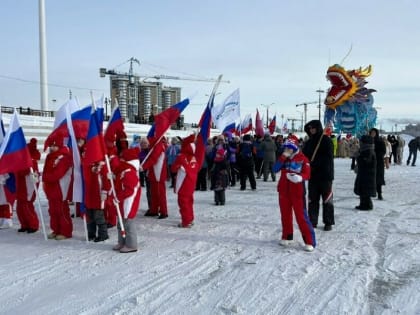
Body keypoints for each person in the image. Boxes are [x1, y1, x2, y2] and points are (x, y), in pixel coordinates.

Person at [273, 135, 316, 252]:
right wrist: (282, 157)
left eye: (290, 147)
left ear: (296, 147)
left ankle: (309, 241)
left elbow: (308, 174)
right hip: (283, 191)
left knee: (301, 217)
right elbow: (275, 169)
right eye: (286, 147)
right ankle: (287, 236)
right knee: (285, 215)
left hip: (297, 192)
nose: (288, 149)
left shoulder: (303, 158)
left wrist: (300, 178)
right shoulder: (283, 157)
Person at [302, 120, 335, 231]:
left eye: (313, 128)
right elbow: (304, 156)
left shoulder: (326, 140)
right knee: (312, 199)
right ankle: (312, 221)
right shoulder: (309, 142)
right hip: (313, 176)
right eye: (310, 128)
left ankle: (328, 222)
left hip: (325, 175)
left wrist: (315, 163)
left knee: (327, 200)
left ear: (318, 128)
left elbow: (328, 157)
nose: (311, 130)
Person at [42, 135, 73, 240]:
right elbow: (46, 171)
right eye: (51, 145)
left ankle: (65, 231)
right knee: (53, 210)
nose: (52, 148)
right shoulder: (49, 157)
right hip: (51, 188)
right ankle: (56, 229)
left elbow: (57, 174)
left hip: (60, 188)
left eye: (54, 146)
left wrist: (45, 177)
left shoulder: (64, 157)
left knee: (61, 210)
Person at [111, 148, 141, 253]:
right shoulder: (124, 170)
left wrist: (118, 197)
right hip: (122, 202)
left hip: (128, 202)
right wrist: (113, 177)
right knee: (121, 223)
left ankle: (131, 244)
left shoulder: (130, 172)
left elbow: (130, 190)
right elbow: (120, 183)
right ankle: (122, 242)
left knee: (128, 224)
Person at [171, 134, 204, 228]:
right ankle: (190, 218)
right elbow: (197, 168)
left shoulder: (181, 157)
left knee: (183, 203)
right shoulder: (194, 158)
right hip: (191, 183)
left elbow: (173, 169)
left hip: (183, 183)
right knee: (189, 202)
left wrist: (178, 167)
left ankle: (186, 222)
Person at [15, 138, 40, 233]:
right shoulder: (23, 160)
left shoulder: (31, 162)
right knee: (20, 207)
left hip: (28, 187)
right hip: (22, 186)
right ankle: (24, 224)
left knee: (27, 206)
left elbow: (24, 172)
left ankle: (33, 225)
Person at [84, 160, 111, 242]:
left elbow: (107, 180)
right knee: (90, 216)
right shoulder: (87, 165)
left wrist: (105, 191)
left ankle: (103, 234)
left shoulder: (103, 166)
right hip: (89, 195)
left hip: (98, 195)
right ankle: (91, 234)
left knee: (98, 216)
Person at [142, 137, 169, 219]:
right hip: (154, 173)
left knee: (160, 194)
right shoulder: (155, 145)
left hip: (158, 173)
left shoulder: (158, 146)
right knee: (153, 193)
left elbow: (153, 159)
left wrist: (143, 167)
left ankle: (164, 211)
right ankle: (154, 210)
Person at [354, 135, 376, 210]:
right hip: (364, 173)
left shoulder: (368, 151)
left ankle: (367, 205)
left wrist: (358, 157)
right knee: (363, 190)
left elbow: (365, 162)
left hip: (367, 174)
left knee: (365, 191)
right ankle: (363, 204)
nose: (360, 143)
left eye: (361, 142)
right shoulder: (365, 150)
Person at [369, 128, 386, 200]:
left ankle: (379, 193)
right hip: (369, 162)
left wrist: (375, 155)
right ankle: (370, 192)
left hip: (378, 162)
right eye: (371, 133)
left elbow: (383, 151)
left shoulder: (380, 141)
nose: (373, 134)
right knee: (369, 178)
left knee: (378, 178)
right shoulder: (368, 141)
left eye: (374, 133)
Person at [210, 140, 229, 205]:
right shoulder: (215, 161)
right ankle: (217, 201)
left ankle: (222, 201)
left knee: (221, 191)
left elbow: (226, 171)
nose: (217, 156)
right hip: (216, 177)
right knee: (216, 190)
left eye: (218, 155)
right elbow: (213, 169)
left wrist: (227, 182)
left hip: (221, 177)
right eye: (217, 154)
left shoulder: (224, 162)